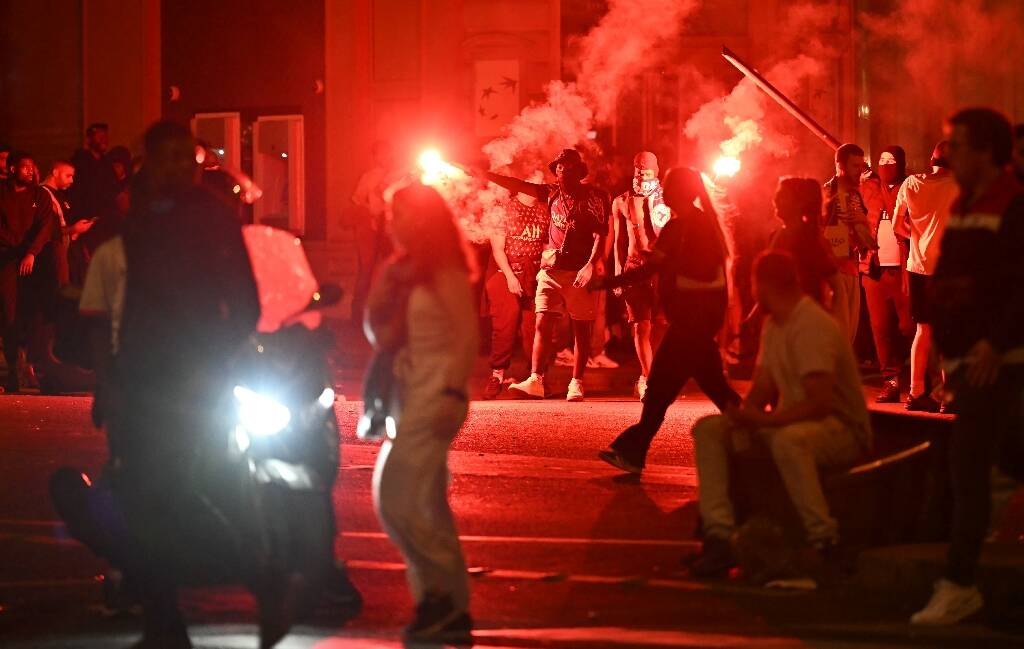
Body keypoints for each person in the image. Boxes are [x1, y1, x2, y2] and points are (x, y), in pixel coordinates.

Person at [76, 121, 264, 648]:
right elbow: (127, 309)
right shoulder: (139, 220)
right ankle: (164, 619)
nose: (182, 168)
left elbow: (244, 301)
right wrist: (110, 381)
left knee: (176, 490)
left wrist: (216, 359)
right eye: (170, 159)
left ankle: (252, 565)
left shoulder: (215, 218)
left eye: (190, 158)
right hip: (142, 376)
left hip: (194, 379)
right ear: (150, 164)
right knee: (143, 496)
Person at [687, 250, 871, 577]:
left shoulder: (811, 325)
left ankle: (825, 539)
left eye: (754, 286)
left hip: (841, 429)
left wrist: (765, 421)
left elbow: (820, 403)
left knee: (789, 442)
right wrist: (741, 417)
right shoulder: (775, 325)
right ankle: (719, 535)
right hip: (796, 423)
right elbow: (761, 388)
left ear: (765, 285)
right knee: (709, 430)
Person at [911, 108, 1024, 626]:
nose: (947, 153)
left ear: (984, 152)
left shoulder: (1013, 207)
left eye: (957, 144)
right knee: (1003, 458)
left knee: (969, 467)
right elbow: (950, 280)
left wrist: (993, 345)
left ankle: (959, 582)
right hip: (967, 363)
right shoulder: (965, 204)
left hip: (996, 364)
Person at [366, 182, 479, 642]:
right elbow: (377, 333)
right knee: (428, 504)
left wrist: (453, 393)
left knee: (394, 498)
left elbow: (467, 337)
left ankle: (443, 592)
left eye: (400, 213)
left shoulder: (445, 272)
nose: (392, 222)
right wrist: (385, 287)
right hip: (404, 394)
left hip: (436, 394)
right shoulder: (403, 270)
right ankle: (444, 601)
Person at [594, 167, 741, 474]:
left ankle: (633, 451)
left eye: (670, 186)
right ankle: (634, 451)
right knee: (712, 389)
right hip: (697, 323)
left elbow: (654, 270)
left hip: (690, 324)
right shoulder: (695, 224)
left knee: (662, 388)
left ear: (679, 192)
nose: (665, 191)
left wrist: (608, 282)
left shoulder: (684, 227)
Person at [476, 149, 609, 402]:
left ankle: (576, 383)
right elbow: (517, 184)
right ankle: (536, 379)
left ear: (578, 172)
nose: (561, 173)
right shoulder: (551, 193)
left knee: (581, 327)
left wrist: (591, 264)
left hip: (578, 271)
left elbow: (600, 234)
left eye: (566, 169)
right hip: (550, 271)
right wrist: (484, 174)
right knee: (541, 323)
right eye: (558, 168)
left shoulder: (595, 197)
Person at [893, 141, 959, 413]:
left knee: (923, 330)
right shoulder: (959, 185)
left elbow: (898, 226)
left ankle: (916, 392)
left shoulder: (910, 184)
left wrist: (918, 239)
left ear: (932, 159)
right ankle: (947, 397)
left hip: (918, 267)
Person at [610, 151, 672, 400]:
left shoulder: (667, 199)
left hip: (663, 270)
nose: (642, 176)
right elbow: (618, 242)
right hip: (634, 269)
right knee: (641, 326)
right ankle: (649, 378)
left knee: (660, 326)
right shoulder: (622, 201)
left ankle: (647, 375)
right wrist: (616, 273)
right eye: (638, 171)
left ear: (656, 172)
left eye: (646, 172)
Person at [483, 172, 549, 399]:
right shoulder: (502, 210)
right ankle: (497, 374)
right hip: (505, 272)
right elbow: (498, 249)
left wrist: (545, 267)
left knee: (534, 325)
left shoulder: (543, 210)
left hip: (533, 273)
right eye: (535, 183)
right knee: (505, 323)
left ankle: (536, 376)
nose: (540, 187)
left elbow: (545, 243)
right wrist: (511, 277)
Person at [860, 146, 913, 403]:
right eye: (882, 160)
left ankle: (920, 382)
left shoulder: (910, 187)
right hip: (874, 270)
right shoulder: (868, 187)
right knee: (880, 329)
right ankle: (890, 381)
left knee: (910, 327)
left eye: (891, 160)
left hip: (905, 270)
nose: (885, 164)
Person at [0, 151, 56, 392]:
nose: (30, 170)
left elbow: (45, 227)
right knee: (9, 311)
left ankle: (37, 367)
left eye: (32, 166)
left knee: (35, 313)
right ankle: (13, 367)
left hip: (34, 261)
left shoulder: (40, 195)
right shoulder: (2, 192)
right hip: (7, 258)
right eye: (24, 167)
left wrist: (31, 252)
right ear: (12, 169)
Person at [822, 143, 876, 342]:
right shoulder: (826, 194)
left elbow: (863, 232)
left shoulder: (856, 194)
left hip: (852, 269)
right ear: (840, 166)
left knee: (848, 335)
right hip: (835, 271)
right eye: (855, 166)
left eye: (862, 166)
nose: (860, 171)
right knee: (837, 334)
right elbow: (823, 235)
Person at [351, 140, 401, 321]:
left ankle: (385, 314)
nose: (384, 156)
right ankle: (358, 315)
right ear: (375, 156)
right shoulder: (369, 176)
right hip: (370, 230)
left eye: (387, 152)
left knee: (390, 271)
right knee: (366, 270)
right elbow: (357, 200)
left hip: (390, 230)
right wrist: (371, 211)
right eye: (380, 153)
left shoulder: (399, 175)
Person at [769, 177, 839, 305]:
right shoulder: (777, 236)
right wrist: (753, 317)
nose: (776, 200)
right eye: (777, 195)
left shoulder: (810, 240)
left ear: (799, 203)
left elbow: (837, 285)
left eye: (783, 196)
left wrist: (832, 319)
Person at [69, 123, 119, 224]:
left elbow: (113, 189)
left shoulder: (107, 163)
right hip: (86, 219)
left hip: (106, 219)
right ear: (88, 140)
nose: (103, 139)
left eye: (105, 136)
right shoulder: (79, 163)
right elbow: (76, 193)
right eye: (99, 136)